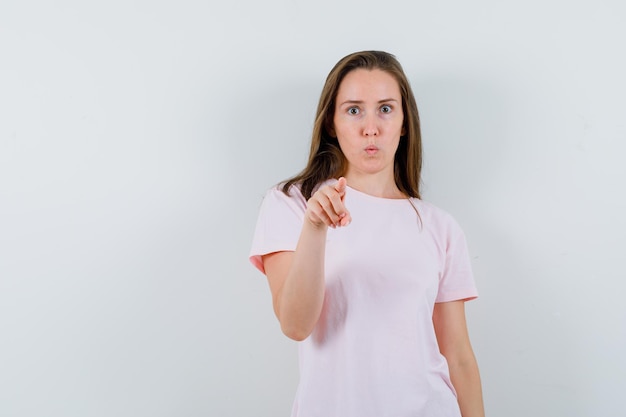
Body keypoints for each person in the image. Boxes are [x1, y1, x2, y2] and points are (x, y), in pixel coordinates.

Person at [249, 50, 484, 417]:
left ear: (404, 122)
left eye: (386, 109)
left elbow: (459, 358)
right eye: (354, 110)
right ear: (331, 122)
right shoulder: (292, 203)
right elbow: (295, 324)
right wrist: (314, 228)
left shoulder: (440, 227)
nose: (370, 128)